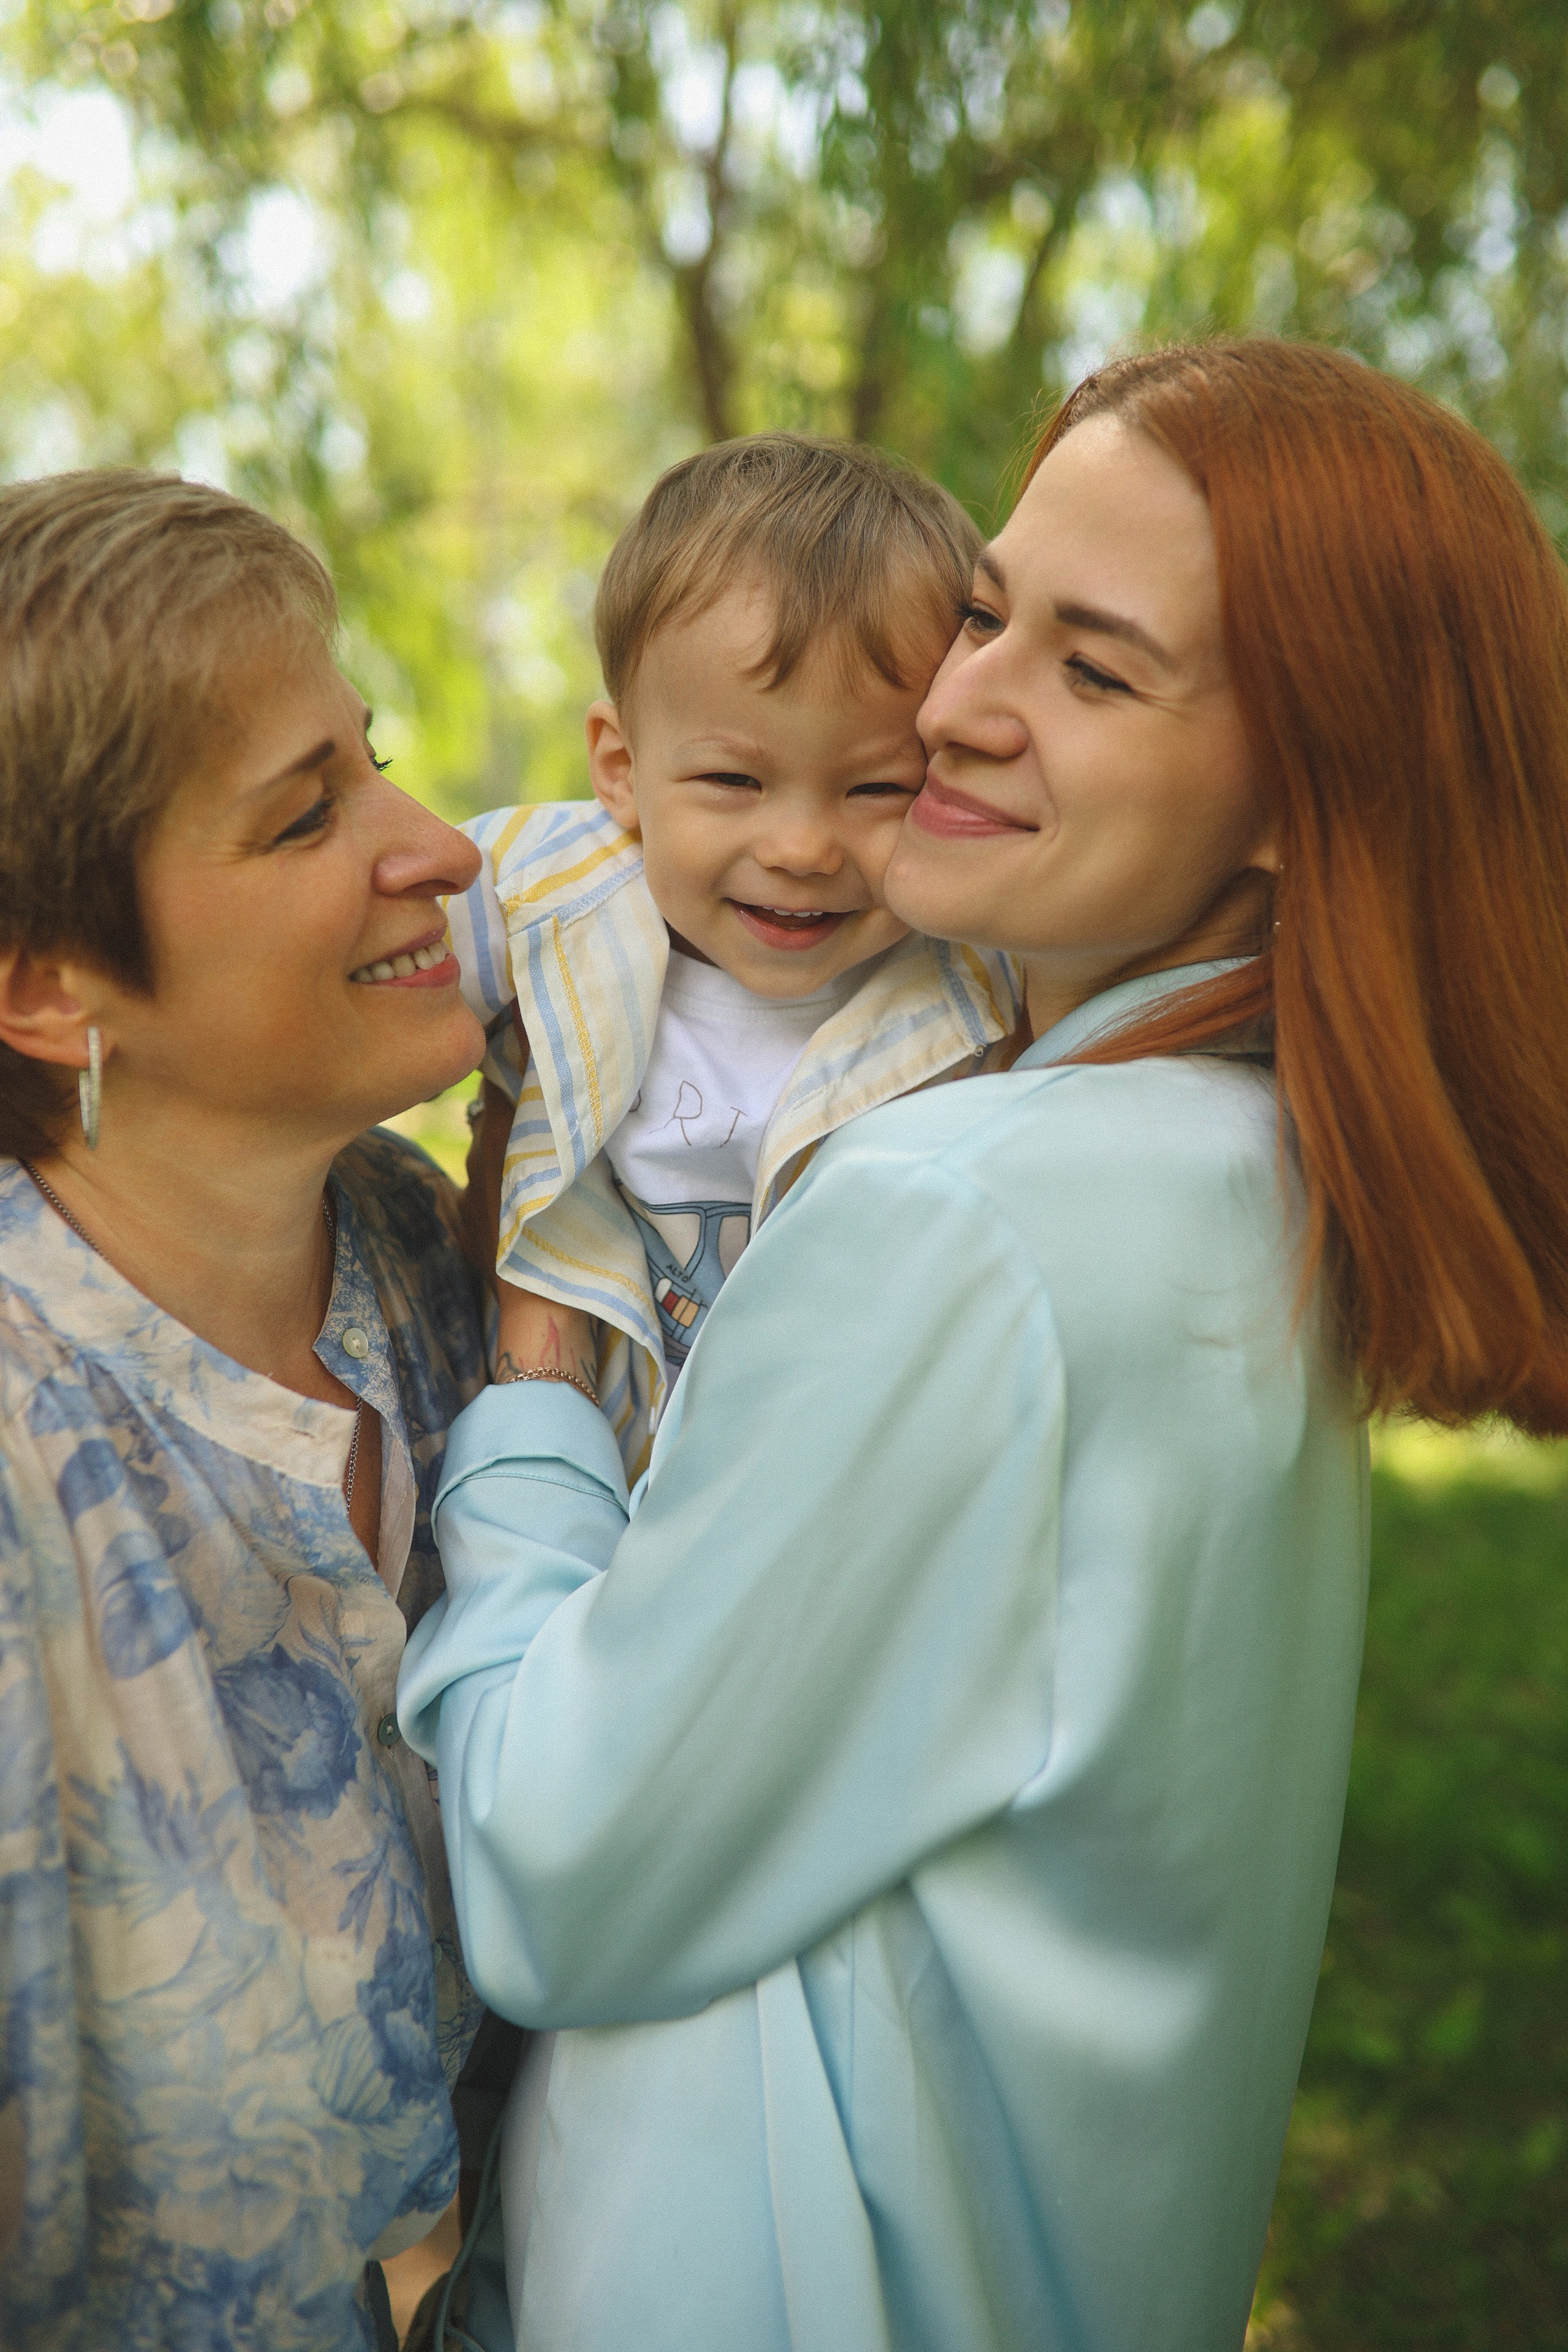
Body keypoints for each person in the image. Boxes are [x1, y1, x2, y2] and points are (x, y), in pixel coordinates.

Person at [400, 337, 1568, 2352]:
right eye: (988, 613)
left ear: (1308, 795)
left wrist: (526, 1397)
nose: (952, 707)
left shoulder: (967, 1220)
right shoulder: (1244, 1169)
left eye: (1094, 673)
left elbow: (553, 1874)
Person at [0, 472, 492, 2350]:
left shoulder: (424, 1258)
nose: (438, 844)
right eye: (310, 816)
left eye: (376, 763)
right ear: (52, 989)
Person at [446, 434, 1017, 1479]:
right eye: (734, 784)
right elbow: (342, 961)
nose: (801, 849)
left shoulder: (973, 971)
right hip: (592, 1456)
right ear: (622, 769)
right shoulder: (549, 893)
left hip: (843, 1493)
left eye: (878, 788)